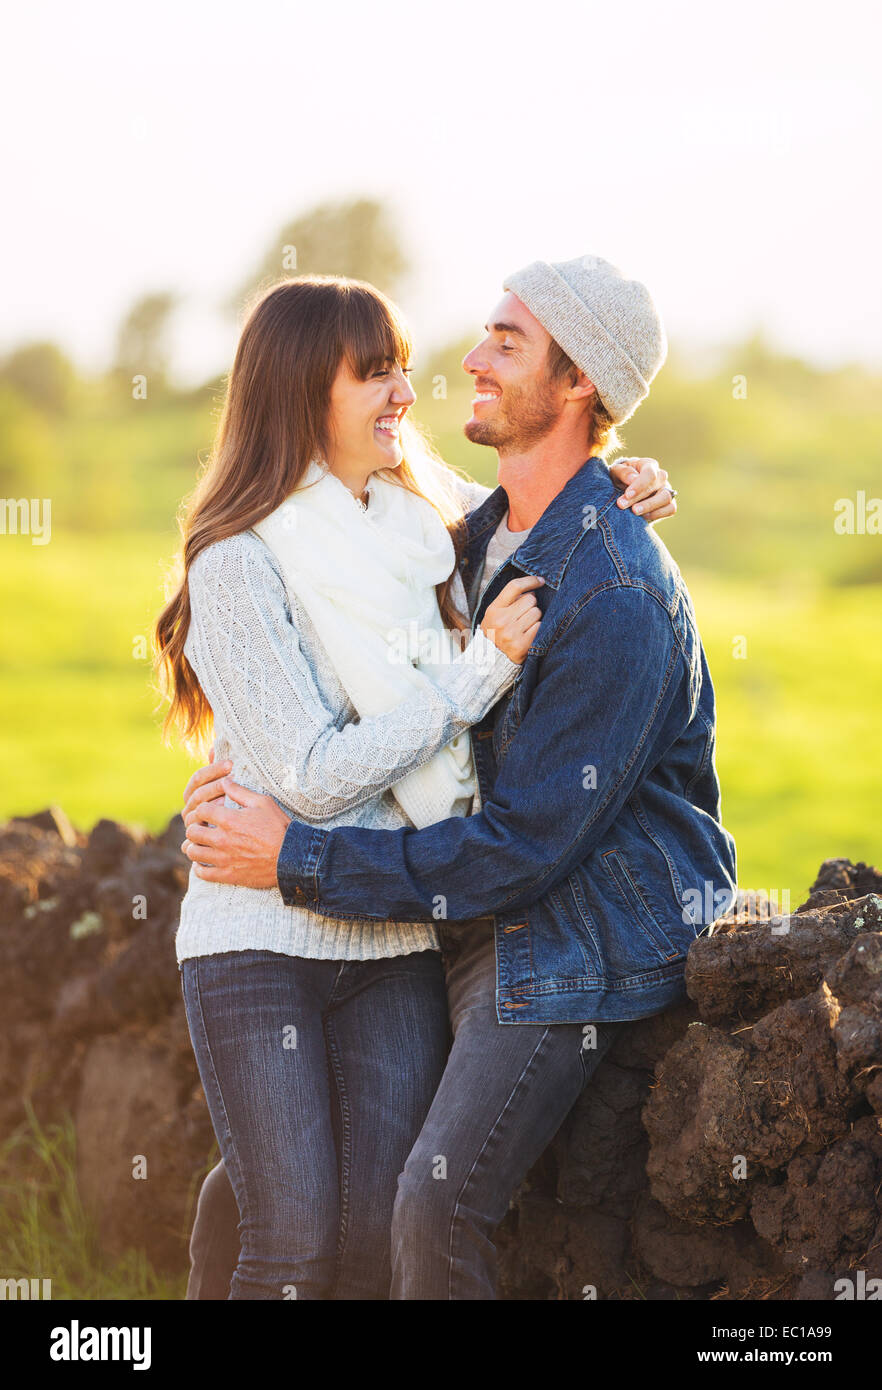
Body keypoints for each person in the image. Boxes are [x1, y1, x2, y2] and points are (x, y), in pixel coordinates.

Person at [182, 254, 733, 1301]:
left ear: (579, 383)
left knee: (431, 1201)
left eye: (507, 342)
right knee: (248, 1202)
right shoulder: (463, 536)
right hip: (463, 908)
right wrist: (247, 766)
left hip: (568, 934)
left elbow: (525, 848)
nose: (466, 360)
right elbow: (338, 646)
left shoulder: (613, 588)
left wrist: (298, 859)